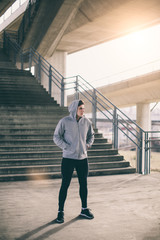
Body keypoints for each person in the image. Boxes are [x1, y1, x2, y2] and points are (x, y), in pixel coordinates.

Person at [53, 99, 94, 223]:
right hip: (68, 158)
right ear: (74, 108)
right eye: (81, 108)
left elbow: (91, 136)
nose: (83, 110)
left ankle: (84, 209)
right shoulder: (64, 121)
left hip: (82, 158)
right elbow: (56, 136)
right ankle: (60, 212)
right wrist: (66, 147)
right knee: (65, 184)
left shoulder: (87, 122)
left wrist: (88, 145)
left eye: (84, 108)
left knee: (84, 184)